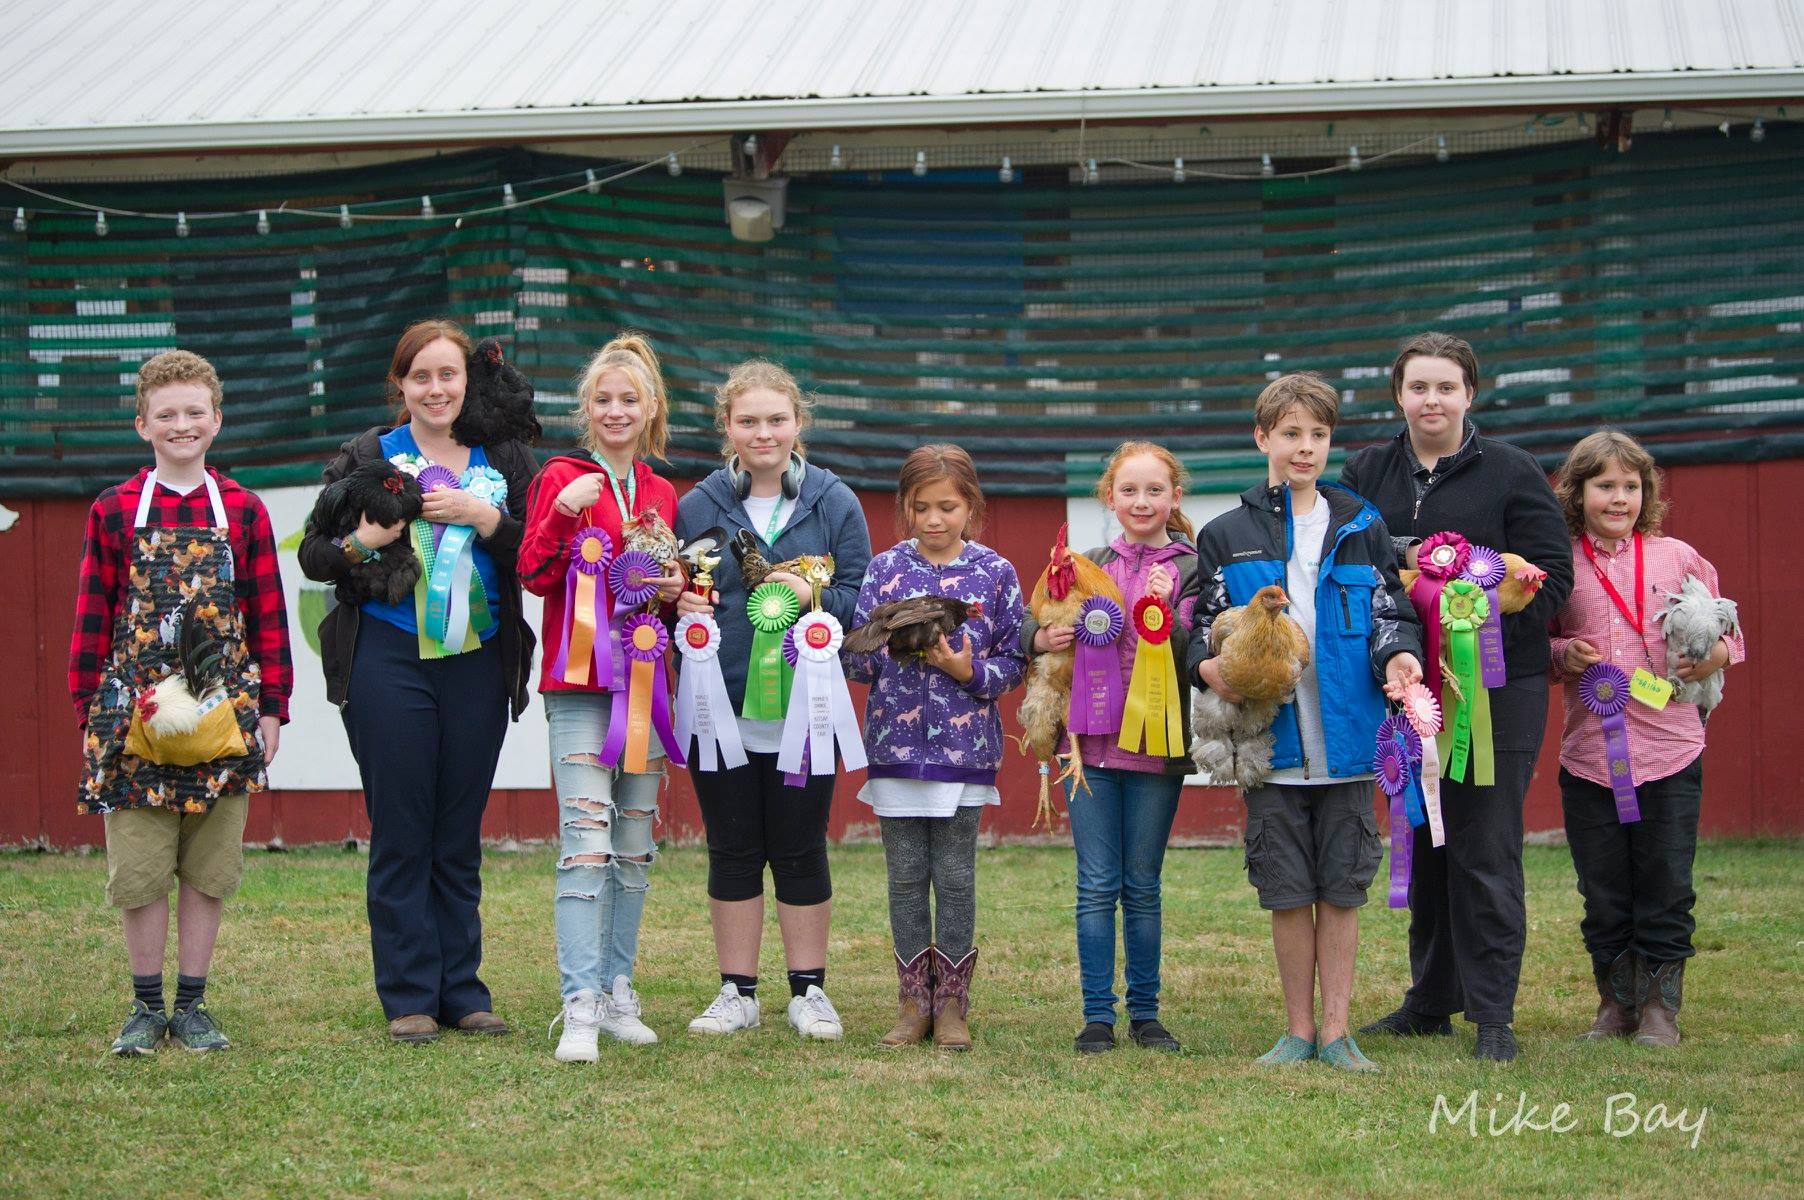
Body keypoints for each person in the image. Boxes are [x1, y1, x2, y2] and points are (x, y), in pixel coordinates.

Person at [297, 320, 539, 1044]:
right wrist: (360, 543)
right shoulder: (369, 456)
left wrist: (484, 515)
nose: (437, 389)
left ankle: (463, 991)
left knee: (457, 833)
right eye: (421, 376)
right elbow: (314, 553)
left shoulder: (504, 457)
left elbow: (541, 553)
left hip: (478, 658)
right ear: (400, 385)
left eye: (449, 375)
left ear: (468, 381)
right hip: (389, 658)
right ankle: (408, 995)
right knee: (403, 829)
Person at [1340, 332, 1573, 1062]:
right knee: (1425, 836)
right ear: (1398, 395)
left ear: (1470, 393)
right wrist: (1412, 566)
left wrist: (1473, 598)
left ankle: (1494, 1014)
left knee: (1484, 843)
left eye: (1446, 387)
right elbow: (1353, 563)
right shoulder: (1366, 471)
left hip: (1496, 691)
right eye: (1418, 387)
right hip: (1403, 685)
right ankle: (1430, 1000)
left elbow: (1554, 579)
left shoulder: (1512, 471)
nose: (1431, 400)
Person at [1183, 373, 1423, 1072]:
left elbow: (1389, 613)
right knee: (1287, 890)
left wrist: (1401, 659)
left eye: (1317, 435)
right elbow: (1200, 625)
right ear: (1263, 439)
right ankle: (1296, 1030)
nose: (1304, 448)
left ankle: (1338, 1031)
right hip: (1271, 743)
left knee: (1343, 889)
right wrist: (1207, 668)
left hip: (1349, 742)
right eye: (1290, 434)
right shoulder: (1227, 534)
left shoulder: (1361, 523)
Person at [70, 349, 292, 1055]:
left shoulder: (246, 512)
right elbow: (92, 616)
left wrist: (272, 708)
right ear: (143, 424)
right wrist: (90, 712)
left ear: (216, 420)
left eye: (195, 412)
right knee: (139, 871)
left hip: (222, 718)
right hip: (132, 719)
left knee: (208, 868)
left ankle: (193, 1006)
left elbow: (268, 614)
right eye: (166, 414)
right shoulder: (113, 511)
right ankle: (144, 1007)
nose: (182, 425)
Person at [672, 359, 871, 1040]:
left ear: (797, 424)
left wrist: (803, 592)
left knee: (799, 846)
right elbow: (682, 599)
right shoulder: (698, 505)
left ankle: (809, 992)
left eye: (776, 419)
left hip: (805, 709)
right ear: (727, 426)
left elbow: (858, 601)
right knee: (730, 848)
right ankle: (737, 991)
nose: (763, 432)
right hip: (718, 705)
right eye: (749, 420)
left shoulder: (835, 501)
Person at [518, 333, 684, 1060]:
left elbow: (656, 588)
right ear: (587, 409)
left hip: (645, 686)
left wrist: (675, 592)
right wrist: (562, 514)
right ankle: (579, 1004)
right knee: (585, 841)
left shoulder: (661, 492)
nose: (616, 411)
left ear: (651, 410)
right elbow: (531, 573)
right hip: (579, 689)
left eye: (630, 399)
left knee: (633, 845)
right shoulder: (559, 475)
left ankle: (619, 990)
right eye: (603, 400)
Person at [1548, 430, 1743, 1047]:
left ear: (1646, 493)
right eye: (1604, 485)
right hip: (1589, 759)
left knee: (1665, 880)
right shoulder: (1560, 564)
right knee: (1602, 888)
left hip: (1670, 750)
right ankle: (1616, 1004)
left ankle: (1661, 1009)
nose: (1619, 497)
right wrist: (1563, 653)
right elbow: (1535, 643)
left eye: (1631, 486)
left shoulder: (1679, 557)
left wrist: (1712, 656)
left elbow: (1730, 638)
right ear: (1576, 493)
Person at [844, 444, 1026, 1052]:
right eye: (920, 507)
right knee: (903, 877)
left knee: (953, 876)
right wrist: (852, 641)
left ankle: (952, 1005)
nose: (933, 519)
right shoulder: (884, 568)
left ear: (971, 506)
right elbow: (857, 662)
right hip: (895, 745)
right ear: (905, 508)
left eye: (947, 507)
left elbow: (1013, 662)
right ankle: (911, 1003)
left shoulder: (995, 573)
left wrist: (969, 672)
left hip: (964, 751)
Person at [1019, 442, 1197, 1054]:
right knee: (1096, 883)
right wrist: (1042, 634)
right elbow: (1029, 621)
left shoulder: (1193, 568)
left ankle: (1146, 1014)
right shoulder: (1083, 561)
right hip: (1086, 747)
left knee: (1142, 884)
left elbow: (1194, 653)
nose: (1141, 501)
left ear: (1175, 498)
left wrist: (1167, 609)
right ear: (1110, 497)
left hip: (1157, 749)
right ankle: (1098, 1015)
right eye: (1129, 491)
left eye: (1154, 491)